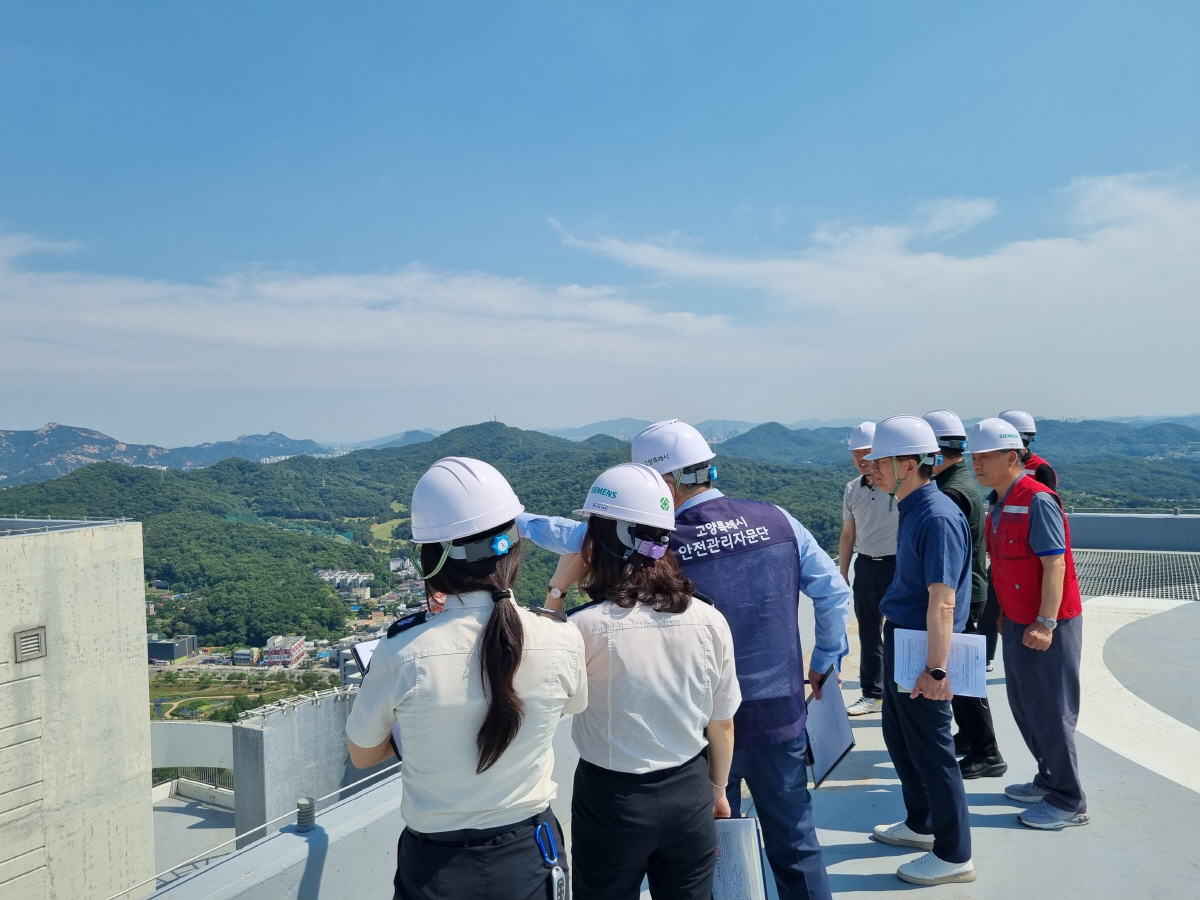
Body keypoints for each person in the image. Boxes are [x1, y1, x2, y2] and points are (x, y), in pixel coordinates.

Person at [519, 419, 850, 900]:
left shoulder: (656, 541)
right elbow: (834, 593)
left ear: (666, 483)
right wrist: (823, 660)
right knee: (796, 841)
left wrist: (515, 520)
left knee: (710, 854)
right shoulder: (779, 519)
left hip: (698, 729)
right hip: (781, 712)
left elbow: (584, 538)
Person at [345, 456, 588, 900]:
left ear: (431, 560)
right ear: (513, 551)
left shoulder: (403, 649)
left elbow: (363, 755)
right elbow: (569, 706)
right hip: (529, 852)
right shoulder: (560, 637)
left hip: (435, 863)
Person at [544, 462, 740, 900]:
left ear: (601, 541)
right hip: (690, 788)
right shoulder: (708, 618)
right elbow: (722, 723)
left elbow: (544, 691)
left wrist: (556, 591)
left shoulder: (584, 627)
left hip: (612, 798)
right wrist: (717, 790)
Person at [865, 416, 976, 887]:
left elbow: (944, 600)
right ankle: (921, 823)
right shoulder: (913, 508)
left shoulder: (936, 515)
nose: (870, 469)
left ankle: (954, 855)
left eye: (879, 461)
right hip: (905, 639)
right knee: (901, 737)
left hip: (923, 647)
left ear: (908, 465)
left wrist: (936, 667)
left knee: (933, 749)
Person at [968, 419, 1089, 830]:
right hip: (1017, 619)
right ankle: (1048, 779)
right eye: (974, 456)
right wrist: (1004, 612)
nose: (977, 463)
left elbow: (1055, 564)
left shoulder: (1037, 499)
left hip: (1046, 624)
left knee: (1052, 710)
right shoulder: (999, 500)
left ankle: (1069, 799)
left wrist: (1046, 622)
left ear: (1012, 457)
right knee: (1025, 706)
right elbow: (1004, 564)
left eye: (985, 456)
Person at [923, 411, 1007, 780]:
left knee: (963, 677)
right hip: (969, 589)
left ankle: (987, 752)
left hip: (963, 594)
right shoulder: (959, 482)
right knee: (961, 674)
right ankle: (971, 738)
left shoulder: (951, 493)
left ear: (935, 454)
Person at [984, 410, 1058, 667]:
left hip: (1028, 557)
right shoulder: (1000, 481)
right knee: (991, 609)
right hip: (1006, 557)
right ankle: (986, 656)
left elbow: (1053, 555)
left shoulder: (1040, 472)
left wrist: (1046, 621)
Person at [838, 421, 899, 717]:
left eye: (867, 453)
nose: (862, 460)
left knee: (901, 630)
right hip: (867, 565)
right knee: (869, 633)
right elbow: (848, 533)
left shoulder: (899, 487)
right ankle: (872, 694)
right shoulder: (852, 489)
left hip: (899, 566)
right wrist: (843, 572)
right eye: (856, 454)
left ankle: (902, 691)